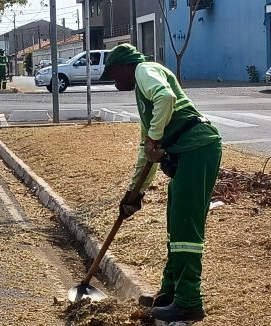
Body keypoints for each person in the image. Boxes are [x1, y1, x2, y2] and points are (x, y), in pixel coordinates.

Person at [100, 43, 222, 323]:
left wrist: (155, 138)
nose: (113, 80)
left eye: (113, 74)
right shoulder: (146, 103)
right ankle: (170, 292)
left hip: (197, 147)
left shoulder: (145, 69)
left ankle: (189, 301)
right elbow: (147, 154)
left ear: (122, 67)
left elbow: (166, 97)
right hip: (189, 152)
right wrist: (134, 194)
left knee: (185, 227)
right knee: (175, 225)